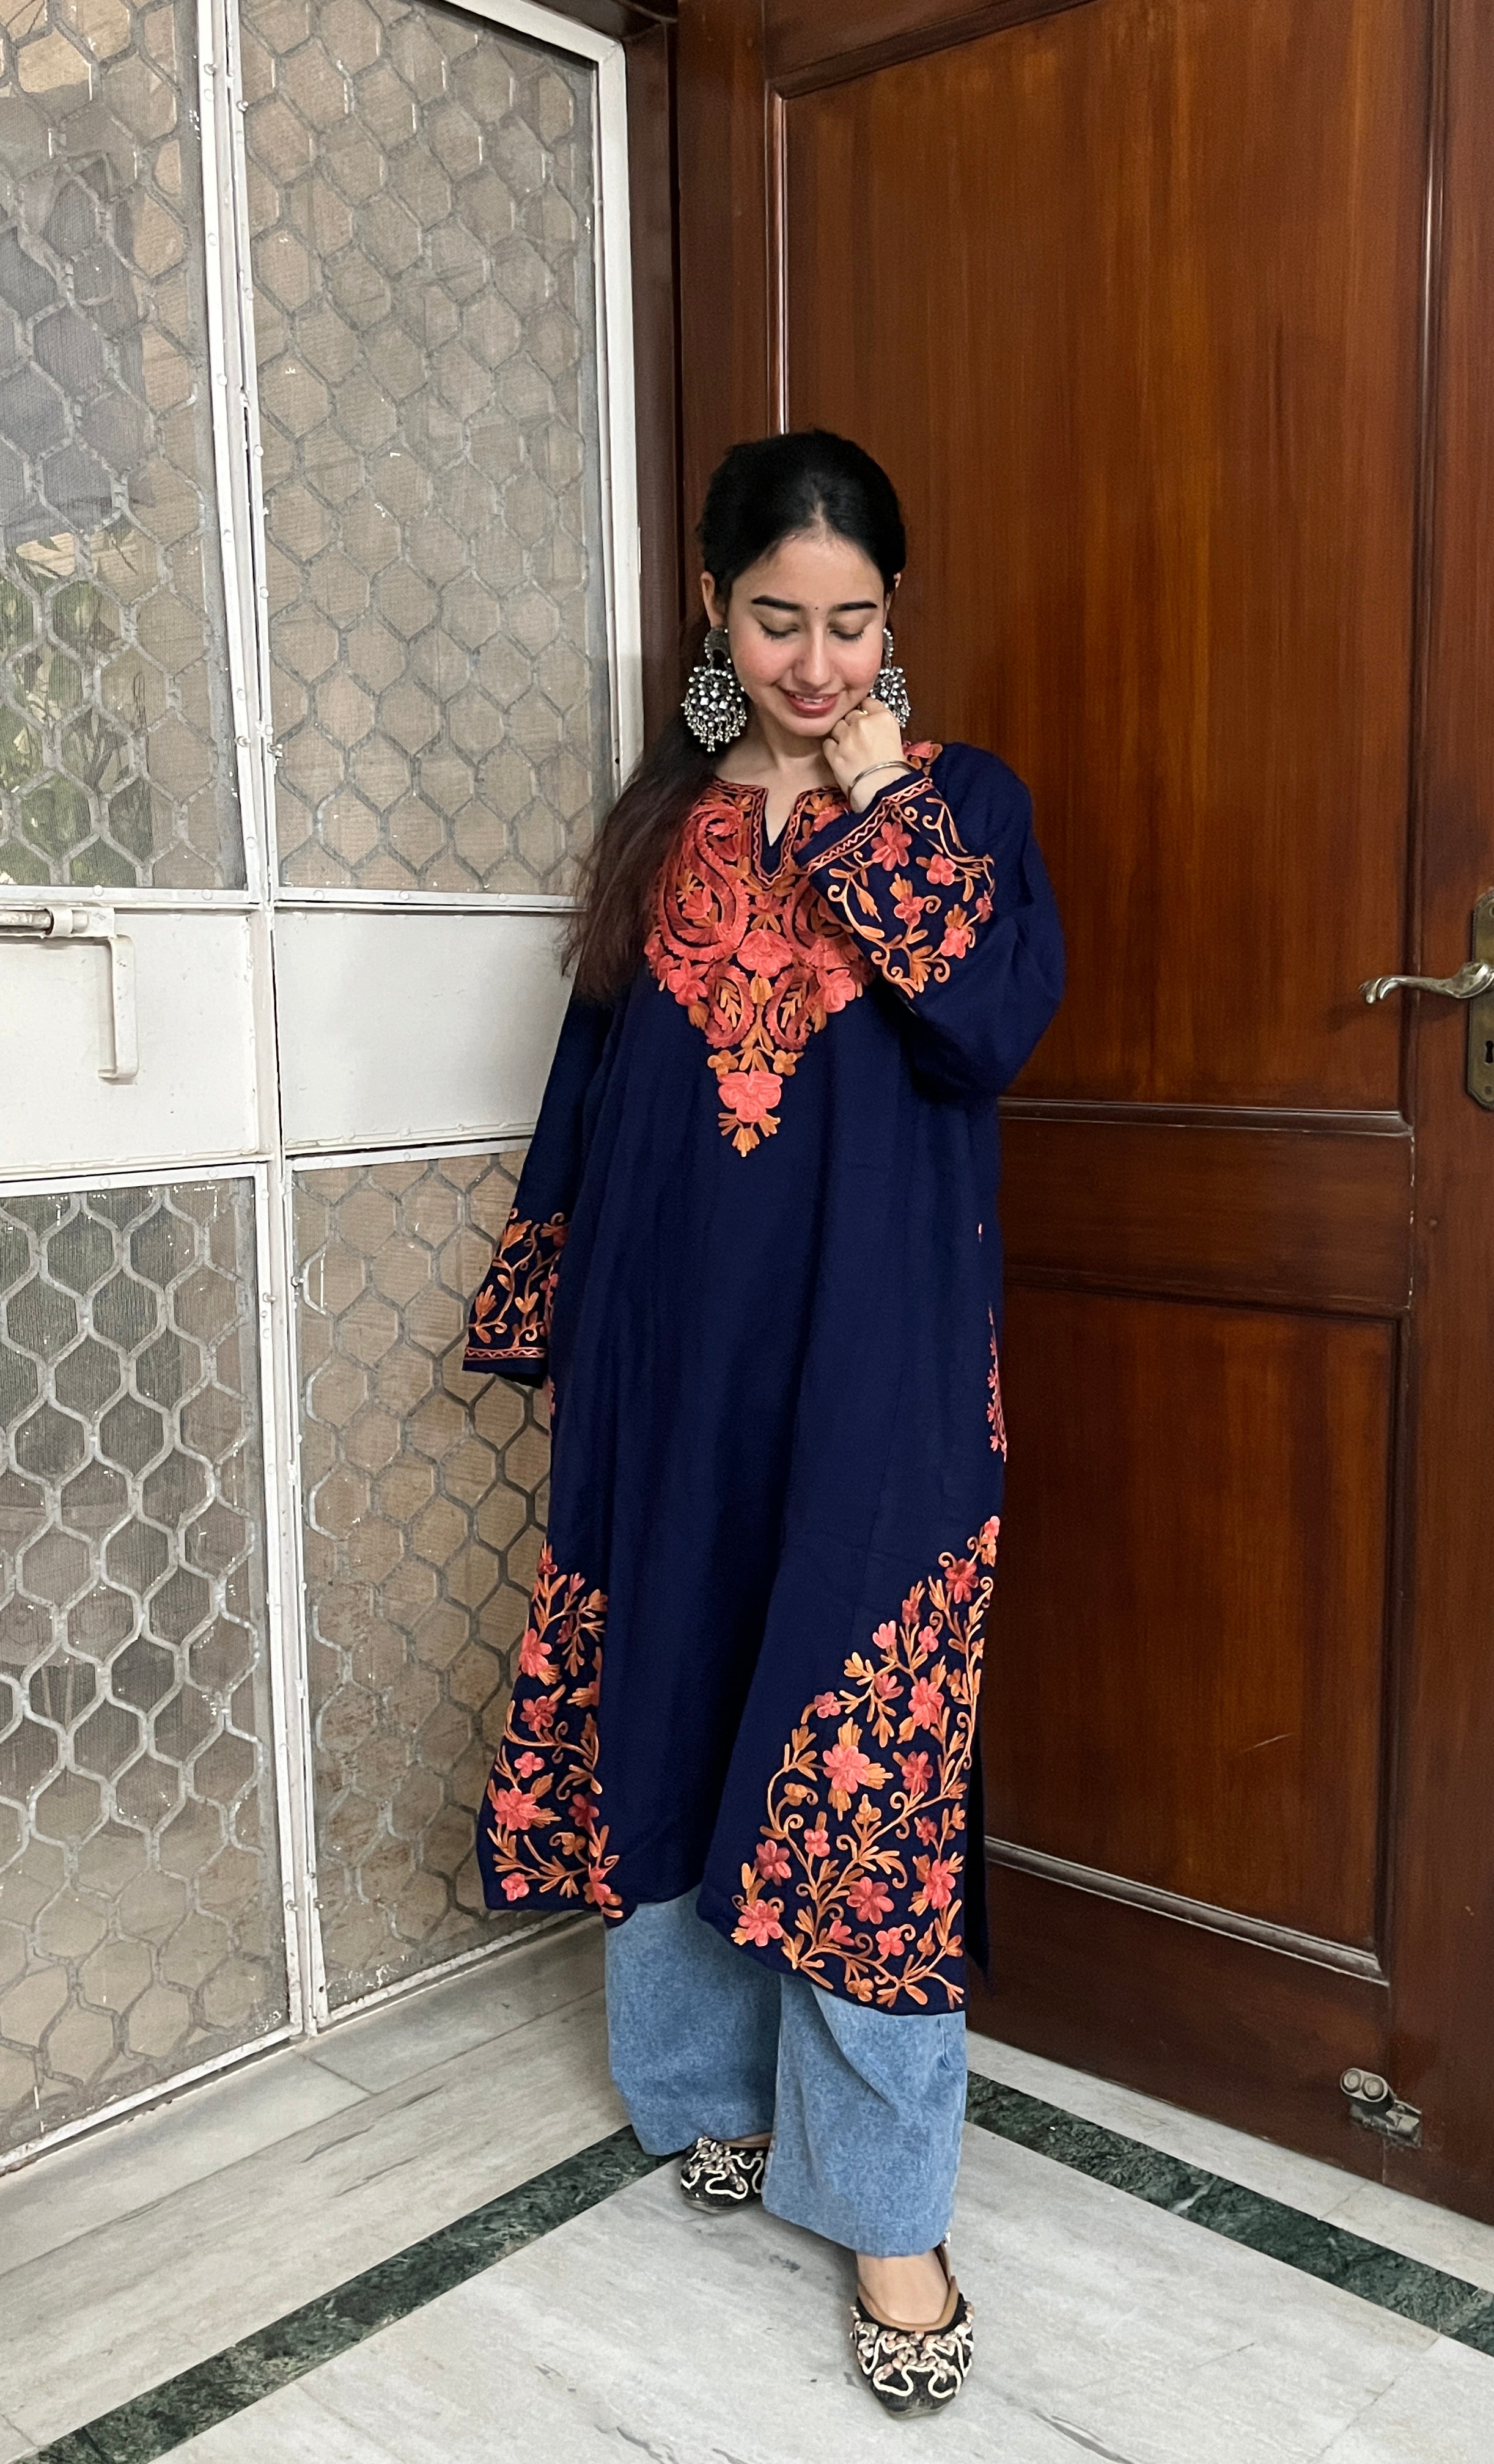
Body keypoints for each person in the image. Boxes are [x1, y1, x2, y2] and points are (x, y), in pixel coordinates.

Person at [463, 429, 1064, 2416]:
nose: (816, 664)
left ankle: (886, 2209)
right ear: (713, 613)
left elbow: (984, 1024)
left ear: (897, 620)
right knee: (671, 1697)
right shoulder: (661, 825)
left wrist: (879, 794)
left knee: (866, 1763)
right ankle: (705, 2090)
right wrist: (554, 1307)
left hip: (880, 1368)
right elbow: (593, 1082)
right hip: (667, 1357)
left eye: (854, 622)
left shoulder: (962, 806)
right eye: (779, 622)